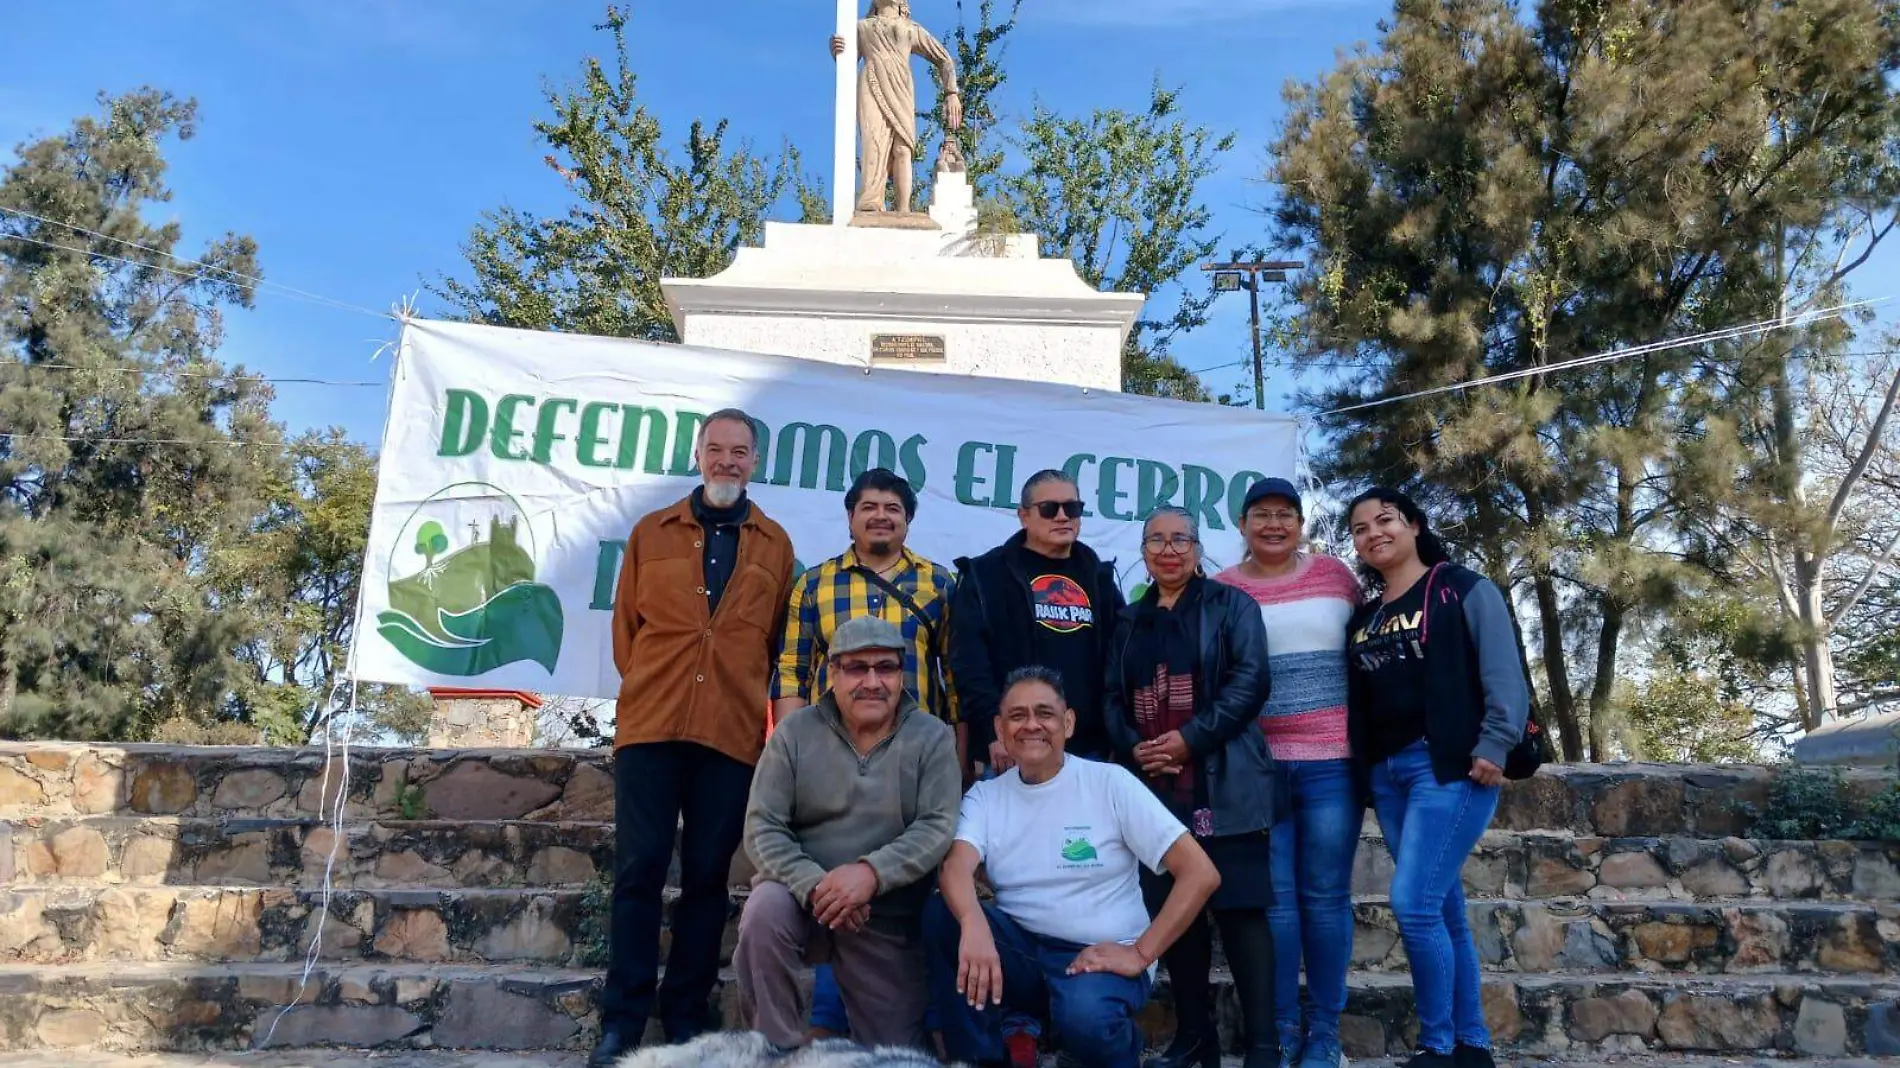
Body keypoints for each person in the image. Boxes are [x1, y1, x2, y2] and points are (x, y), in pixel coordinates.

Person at [591, 408, 798, 1068]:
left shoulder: (776, 544)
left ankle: (685, 1016)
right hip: (651, 727)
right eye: (717, 449)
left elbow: (773, 647)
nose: (728, 461)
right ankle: (622, 1020)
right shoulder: (650, 534)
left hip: (730, 736)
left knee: (708, 878)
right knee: (640, 870)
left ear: (755, 462)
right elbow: (628, 632)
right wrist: (662, 683)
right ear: (699, 454)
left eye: (741, 452)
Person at [924, 666, 1223, 1068]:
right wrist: (974, 923)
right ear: (999, 727)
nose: (1032, 725)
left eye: (1044, 714)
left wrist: (1139, 953)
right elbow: (955, 868)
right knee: (942, 915)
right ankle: (983, 1060)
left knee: (1087, 1020)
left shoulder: (1109, 783)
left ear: (1068, 722)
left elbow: (1201, 872)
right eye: (1018, 716)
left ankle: (1117, 1047)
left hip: (1100, 955)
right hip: (1023, 950)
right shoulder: (986, 797)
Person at [773, 467, 961, 1042]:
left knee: (914, 887)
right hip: (833, 760)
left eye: (893, 509)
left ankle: (918, 1019)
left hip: (915, 761)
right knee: (835, 875)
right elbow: (791, 670)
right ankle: (830, 1019)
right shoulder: (816, 583)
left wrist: (961, 761)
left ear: (908, 520)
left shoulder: (939, 584)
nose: (881, 516)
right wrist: (788, 755)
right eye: (869, 507)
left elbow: (954, 682)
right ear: (851, 516)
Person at [1343, 488, 1529, 1068]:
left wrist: (1496, 742)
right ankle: (1473, 1046)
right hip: (1390, 775)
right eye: (1358, 528)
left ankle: (1437, 1045)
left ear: (1415, 525)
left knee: (1413, 903)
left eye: (1385, 520)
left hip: (1447, 766)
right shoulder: (1365, 614)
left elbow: (1505, 670)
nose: (1373, 533)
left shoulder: (1462, 588)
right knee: (1443, 909)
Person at [1104, 506, 1283, 1068]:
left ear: (1199, 548)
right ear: (1143, 551)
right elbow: (1109, 695)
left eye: (1180, 539)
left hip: (1224, 781)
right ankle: (1195, 1037)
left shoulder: (1234, 606)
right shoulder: (1128, 621)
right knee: (1173, 915)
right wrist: (1133, 743)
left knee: (1240, 913)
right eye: (1155, 540)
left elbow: (1250, 682)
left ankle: (1262, 1046)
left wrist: (1189, 739)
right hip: (1151, 787)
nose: (1168, 550)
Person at [737, 615, 963, 1054]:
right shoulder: (793, 734)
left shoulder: (932, 737)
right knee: (763, 911)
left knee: (898, 1054)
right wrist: (818, 886)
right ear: (833, 674)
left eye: (886, 668)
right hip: (800, 899)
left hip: (883, 915)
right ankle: (774, 1052)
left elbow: (937, 826)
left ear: (902, 675)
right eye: (858, 668)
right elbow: (764, 826)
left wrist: (870, 875)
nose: (872, 682)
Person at [1213, 478, 1363, 1068]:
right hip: (1258, 769)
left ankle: (1324, 1031)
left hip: (1332, 764)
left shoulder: (1335, 577)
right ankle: (1277, 1029)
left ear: (1301, 524)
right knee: (1274, 904)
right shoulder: (1222, 589)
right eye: (1260, 514)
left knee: (1325, 898)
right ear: (1243, 525)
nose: (1273, 524)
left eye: (1285, 514)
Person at [949, 469, 1126, 777]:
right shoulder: (986, 576)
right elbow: (969, 665)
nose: (1062, 516)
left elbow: (1119, 664)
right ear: (1023, 516)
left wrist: (1115, 736)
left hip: (1088, 751)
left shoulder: (1099, 576)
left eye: (1072, 508)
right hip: (1013, 748)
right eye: (1049, 509)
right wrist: (995, 731)